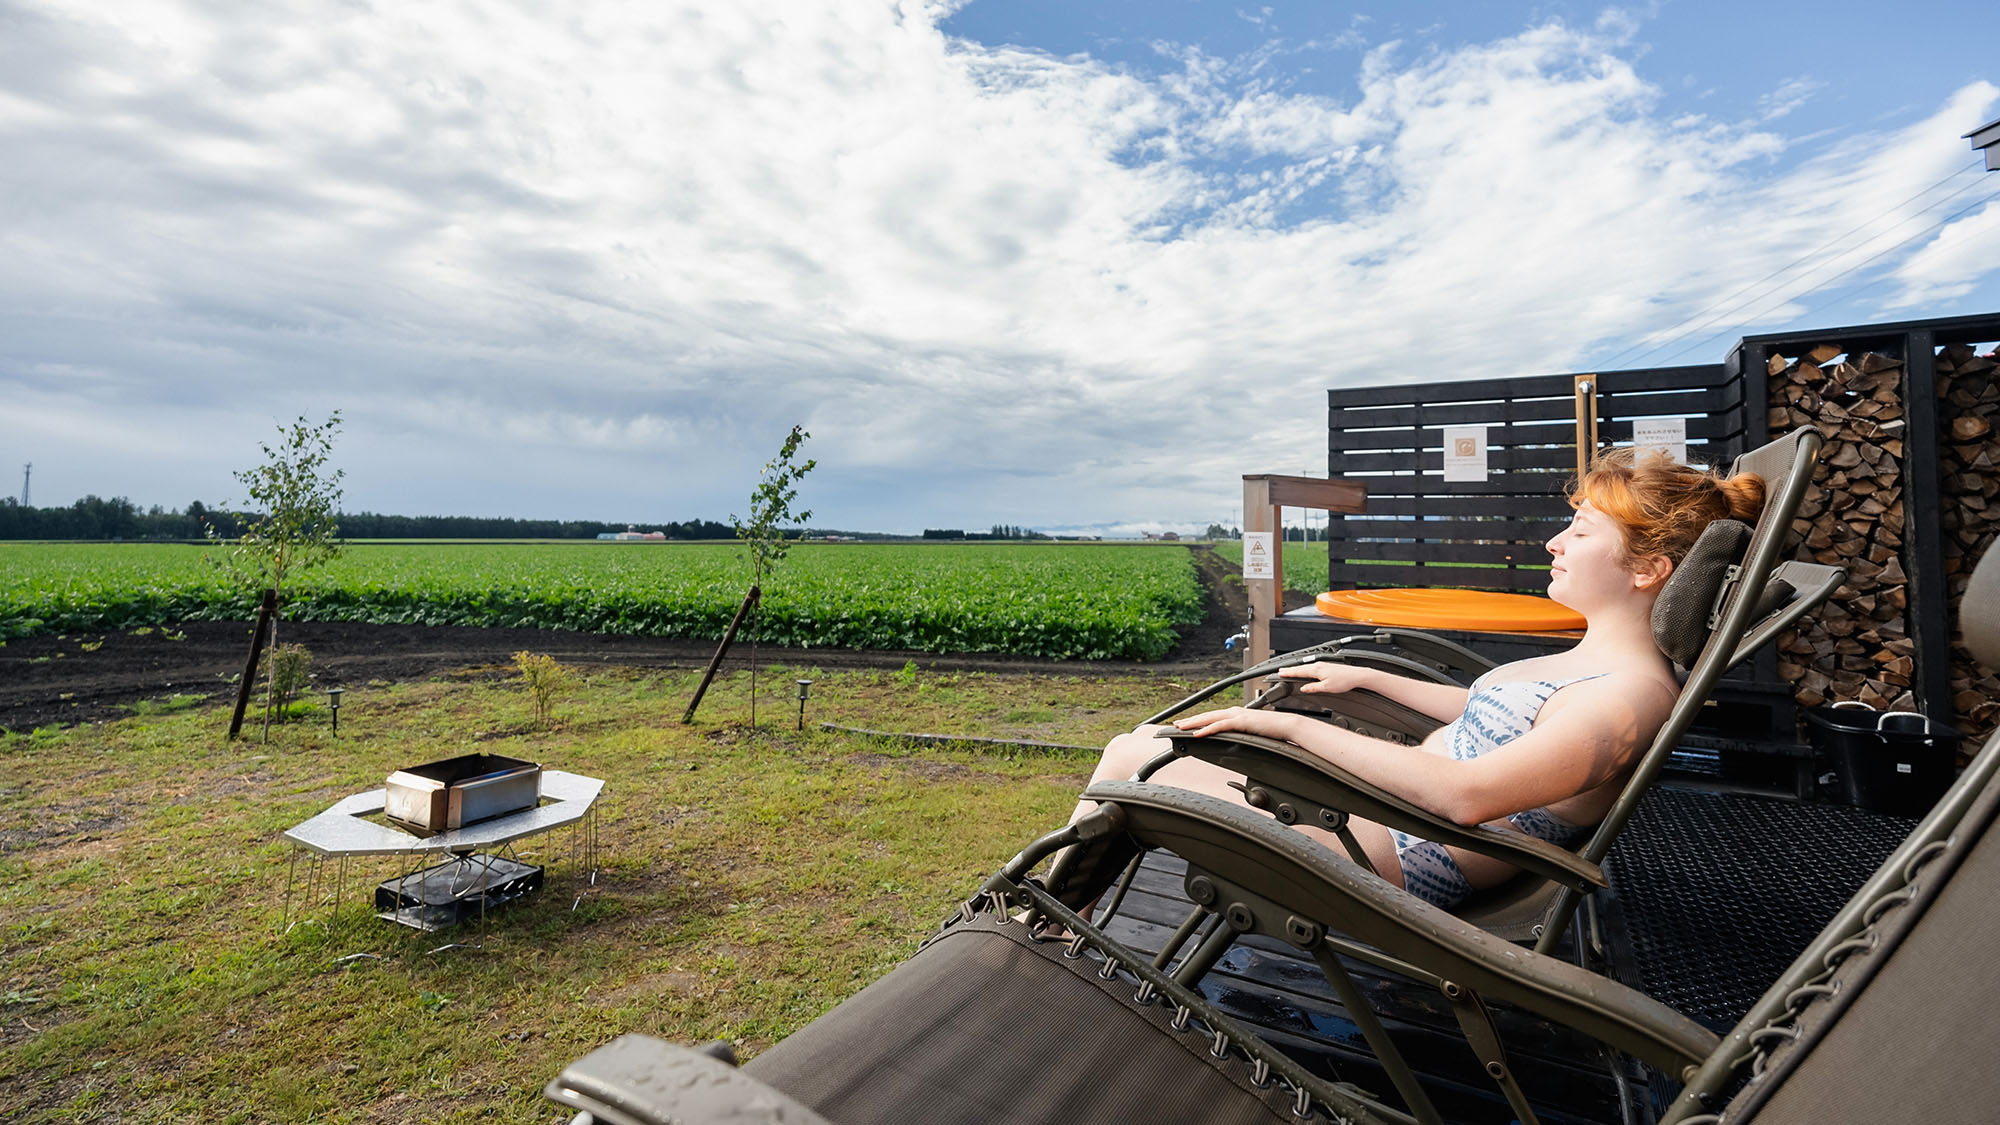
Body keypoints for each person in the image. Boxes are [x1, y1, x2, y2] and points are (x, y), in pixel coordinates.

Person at [1078, 448, 1766, 908]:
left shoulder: (1627, 699)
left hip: (1385, 851)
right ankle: (1056, 909)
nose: (1555, 542)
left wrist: (1286, 727)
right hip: (1375, 817)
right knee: (1145, 745)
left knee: (1133, 753)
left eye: (1580, 531)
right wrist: (1360, 678)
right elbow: (1486, 704)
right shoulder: (1599, 663)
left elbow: (1466, 795)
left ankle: (1044, 918)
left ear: (1648, 571)